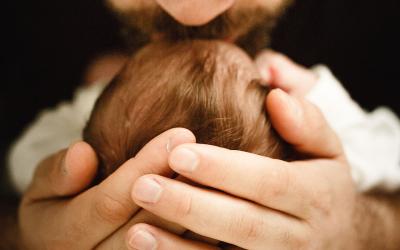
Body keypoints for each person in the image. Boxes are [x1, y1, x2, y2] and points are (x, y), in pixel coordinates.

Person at [7, 0, 400, 249]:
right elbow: (388, 150)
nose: (192, 10)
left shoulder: (87, 128)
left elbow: (28, 160)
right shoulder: (316, 117)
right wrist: (321, 92)